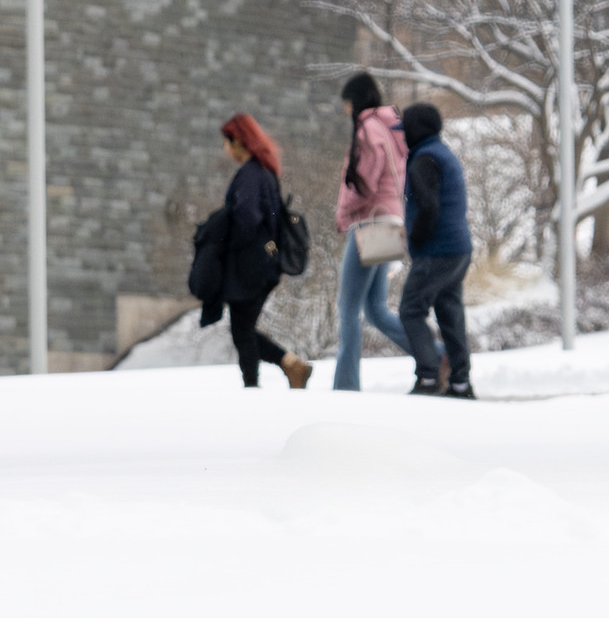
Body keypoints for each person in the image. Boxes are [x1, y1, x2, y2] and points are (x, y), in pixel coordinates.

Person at [195, 113, 313, 387]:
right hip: (264, 264)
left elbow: (247, 218)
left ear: (238, 141)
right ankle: (290, 366)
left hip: (251, 265)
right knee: (242, 329)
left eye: (227, 142)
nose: (226, 149)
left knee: (242, 331)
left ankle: (255, 386)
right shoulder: (265, 171)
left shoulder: (250, 174)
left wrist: (224, 241)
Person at [331, 72, 412, 390]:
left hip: (372, 223)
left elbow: (364, 181)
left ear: (356, 101)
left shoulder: (368, 130)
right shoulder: (390, 128)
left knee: (348, 307)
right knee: (375, 309)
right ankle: (434, 354)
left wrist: (344, 212)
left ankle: (345, 386)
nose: (346, 111)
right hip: (391, 220)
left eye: (347, 103)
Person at [396, 102, 477, 398]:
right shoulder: (444, 154)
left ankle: (429, 377)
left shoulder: (423, 159)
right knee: (449, 312)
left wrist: (415, 238)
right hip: (459, 249)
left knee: (410, 310)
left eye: (404, 129)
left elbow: (429, 208)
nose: (402, 135)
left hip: (437, 250)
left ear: (415, 131)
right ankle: (460, 382)